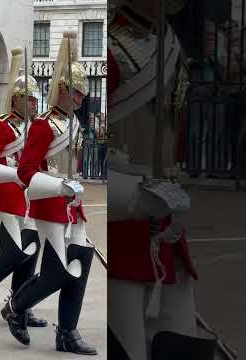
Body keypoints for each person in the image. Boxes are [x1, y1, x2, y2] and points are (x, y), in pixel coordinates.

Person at [107, 1, 210, 359]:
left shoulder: (171, 45)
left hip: (166, 234)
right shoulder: (111, 48)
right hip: (121, 239)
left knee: (180, 347)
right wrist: (132, 195)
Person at [0, 32, 97, 356]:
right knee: (58, 272)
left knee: (80, 264)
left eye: (84, 95)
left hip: (72, 204)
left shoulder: (75, 125)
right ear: (63, 90)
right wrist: (58, 186)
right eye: (77, 93)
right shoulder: (42, 125)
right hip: (49, 201)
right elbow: (26, 172)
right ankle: (17, 306)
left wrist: (73, 190)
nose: (81, 99)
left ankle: (67, 332)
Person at [0, 47, 47, 327]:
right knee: (13, 253)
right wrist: (14, 174)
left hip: (27, 200)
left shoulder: (35, 128)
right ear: (16, 99)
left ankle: (19, 305)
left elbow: (39, 164)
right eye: (29, 100)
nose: (34, 106)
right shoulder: (0, 126)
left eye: (36, 101)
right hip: (3, 199)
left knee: (31, 251)